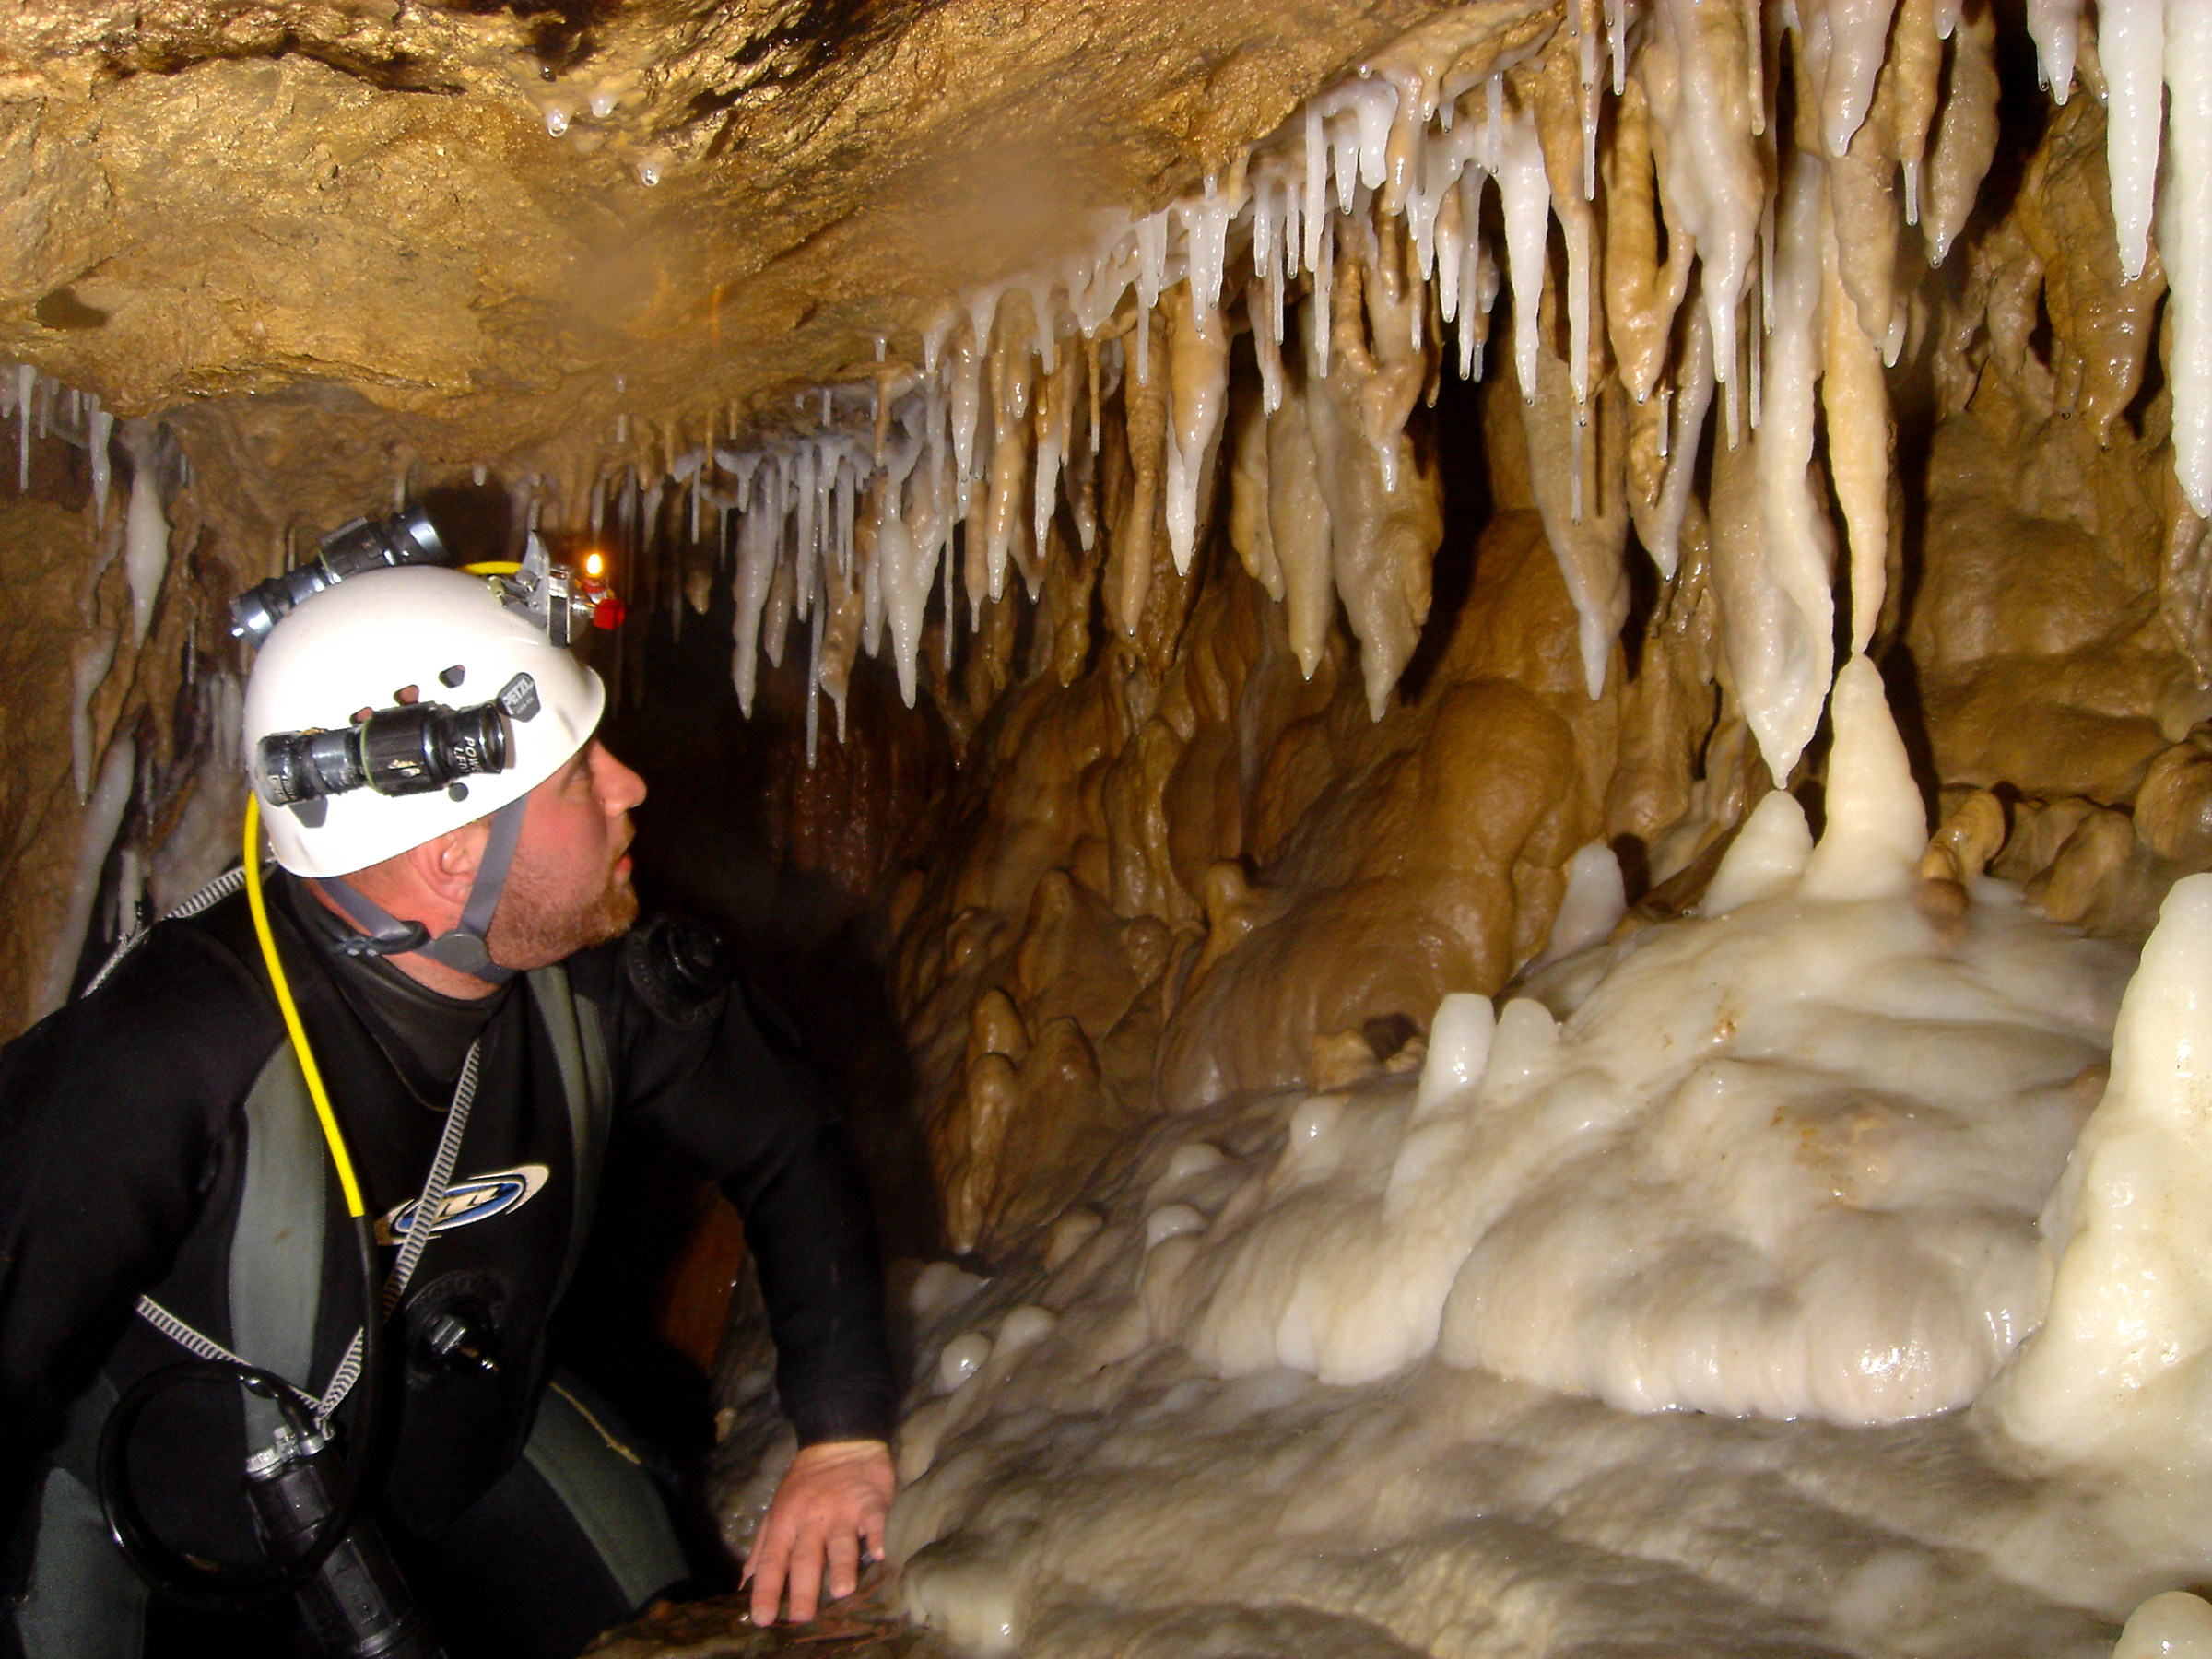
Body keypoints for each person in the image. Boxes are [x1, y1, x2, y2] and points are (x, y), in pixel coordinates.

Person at [0, 558, 897, 1658]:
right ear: (450, 858)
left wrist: (842, 1434)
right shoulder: (167, 1050)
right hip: (153, 1534)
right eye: (579, 775)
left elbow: (788, 1146)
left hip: (476, 1455)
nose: (630, 786)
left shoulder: (601, 981)